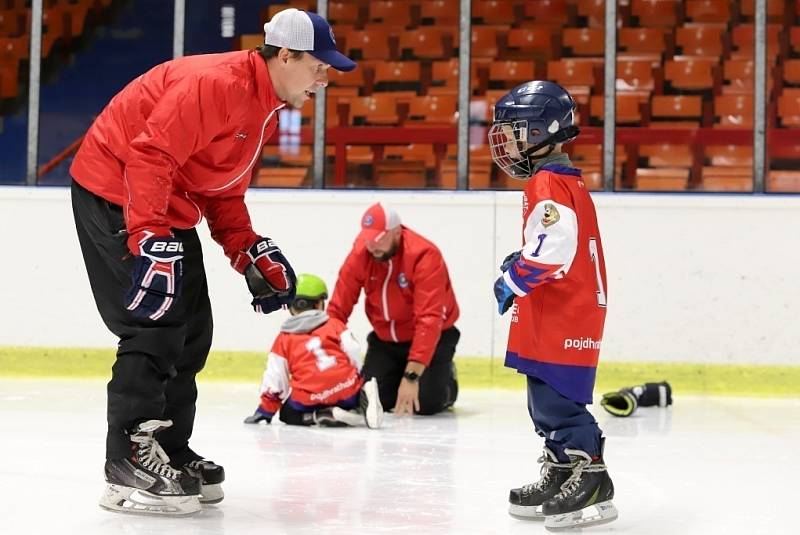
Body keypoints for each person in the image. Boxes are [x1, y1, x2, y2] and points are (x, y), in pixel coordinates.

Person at [70, 8, 355, 515]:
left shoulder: (265, 107)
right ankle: (127, 462)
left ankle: (169, 448)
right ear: (285, 55)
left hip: (165, 203)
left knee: (193, 329)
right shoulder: (215, 84)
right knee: (153, 323)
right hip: (117, 191)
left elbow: (218, 189)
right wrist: (149, 238)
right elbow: (149, 156)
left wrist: (244, 246)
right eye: (317, 65)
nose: (324, 78)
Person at [488, 81, 618, 529]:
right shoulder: (557, 180)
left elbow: (554, 248)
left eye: (516, 131)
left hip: (564, 310)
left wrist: (512, 279)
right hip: (559, 307)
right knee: (542, 395)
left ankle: (592, 475)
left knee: (558, 400)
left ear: (545, 131)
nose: (508, 141)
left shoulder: (547, 181)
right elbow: (552, 242)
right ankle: (562, 468)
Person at [327, 203, 460, 416]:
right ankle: (397, 373)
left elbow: (429, 319)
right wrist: (326, 349)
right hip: (386, 340)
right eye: (368, 238)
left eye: (378, 238)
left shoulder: (425, 255)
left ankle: (447, 382)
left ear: (397, 232)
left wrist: (412, 377)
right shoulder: (363, 251)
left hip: (433, 338)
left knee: (425, 404)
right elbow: (338, 306)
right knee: (372, 400)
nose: (372, 245)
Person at [243, 274, 383, 428]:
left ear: (290, 306)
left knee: (288, 414)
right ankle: (360, 398)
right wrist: (357, 379)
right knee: (349, 392)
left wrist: (266, 410)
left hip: (310, 399)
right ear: (318, 304)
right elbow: (353, 350)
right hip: (346, 390)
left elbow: (275, 378)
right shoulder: (334, 325)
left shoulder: (283, 339)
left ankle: (322, 415)